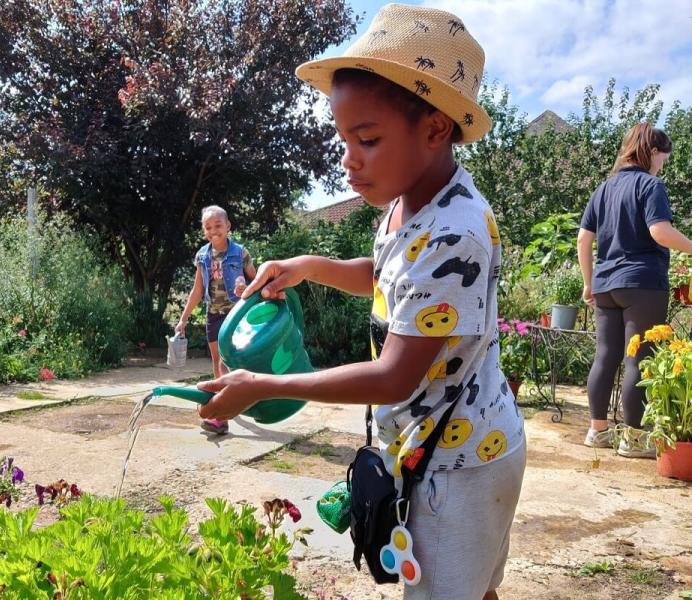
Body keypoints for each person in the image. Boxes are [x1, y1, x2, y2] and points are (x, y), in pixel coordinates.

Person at [196, 5, 525, 599]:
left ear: (435, 127)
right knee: (471, 588)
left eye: (367, 139)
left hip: (461, 464)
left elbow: (395, 375)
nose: (348, 159)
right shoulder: (407, 206)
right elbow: (386, 276)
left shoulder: (456, 230)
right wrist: (306, 268)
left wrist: (268, 386)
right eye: (344, 137)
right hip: (436, 449)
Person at [578, 123, 692, 458]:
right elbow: (660, 232)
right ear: (653, 152)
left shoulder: (604, 188)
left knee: (605, 356)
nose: (662, 166)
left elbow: (584, 239)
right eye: (663, 159)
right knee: (638, 359)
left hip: (606, 285)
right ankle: (633, 438)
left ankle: (597, 431)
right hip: (641, 283)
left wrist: (589, 282)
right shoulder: (650, 185)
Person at [176, 205, 256, 435]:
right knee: (217, 365)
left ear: (228, 226)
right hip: (214, 315)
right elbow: (197, 290)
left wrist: (246, 289)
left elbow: (257, 280)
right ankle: (227, 406)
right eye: (208, 227)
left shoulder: (240, 253)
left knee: (227, 363)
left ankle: (222, 415)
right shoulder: (202, 256)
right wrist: (183, 319)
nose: (213, 231)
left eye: (218, 225)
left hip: (237, 314)